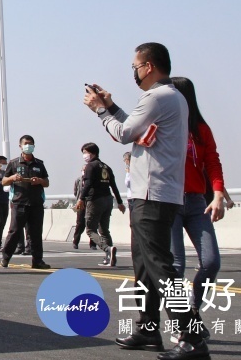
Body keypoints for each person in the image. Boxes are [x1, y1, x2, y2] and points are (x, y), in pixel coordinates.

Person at [85, 42, 209, 360]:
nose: (134, 73)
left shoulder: (157, 97)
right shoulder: (171, 98)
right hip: (153, 193)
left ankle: (192, 336)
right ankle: (148, 327)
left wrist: (100, 111)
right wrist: (111, 107)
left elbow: (125, 133)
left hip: (153, 195)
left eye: (135, 67)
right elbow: (135, 128)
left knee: (159, 267)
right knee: (144, 267)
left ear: (149, 66)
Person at [170, 76, 226, 341]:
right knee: (175, 266)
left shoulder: (201, 129)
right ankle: (182, 324)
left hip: (195, 202)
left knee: (212, 261)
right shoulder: (163, 125)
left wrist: (217, 195)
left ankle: (192, 310)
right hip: (168, 201)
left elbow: (213, 162)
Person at [0, 135, 50, 269]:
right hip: (19, 203)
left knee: (35, 233)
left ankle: (37, 260)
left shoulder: (39, 164)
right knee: (15, 231)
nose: (28, 146)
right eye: (26, 143)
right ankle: (6, 257)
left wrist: (39, 181)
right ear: (20, 146)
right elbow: (4, 181)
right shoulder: (14, 163)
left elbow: (46, 182)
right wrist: (12, 178)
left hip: (36, 204)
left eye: (31, 143)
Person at [75, 142, 125, 267]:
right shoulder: (106, 167)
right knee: (104, 229)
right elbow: (113, 185)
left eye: (85, 153)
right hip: (108, 200)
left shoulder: (90, 166)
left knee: (90, 229)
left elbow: (87, 184)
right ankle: (110, 257)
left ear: (92, 153)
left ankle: (107, 249)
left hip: (95, 200)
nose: (84, 155)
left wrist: (81, 199)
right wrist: (119, 202)